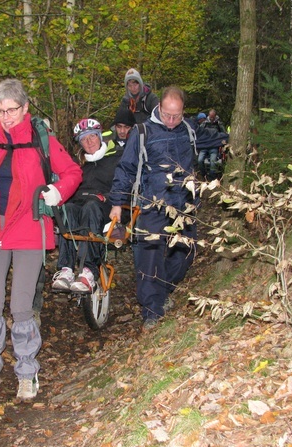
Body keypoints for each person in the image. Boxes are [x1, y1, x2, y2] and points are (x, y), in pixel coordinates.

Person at [0, 79, 82, 401]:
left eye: (11, 110)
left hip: (28, 228)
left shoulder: (41, 137)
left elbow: (72, 172)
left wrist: (57, 191)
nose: (6, 117)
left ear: (25, 108)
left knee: (21, 306)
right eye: (0, 111)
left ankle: (27, 372)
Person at [108, 86, 220, 331]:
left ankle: (163, 289)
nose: (171, 120)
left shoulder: (189, 128)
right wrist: (117, 204)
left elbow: (215, 138)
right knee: (149, 260)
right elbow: (126, 168)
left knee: (185, 254)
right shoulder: (142, 132)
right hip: (152, 205)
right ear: (159, 108)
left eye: (176, 115)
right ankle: (151, 310)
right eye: (167, 115)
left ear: (183, 112)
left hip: (184, 205)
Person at [51, 118, 125, 293]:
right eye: (84, 139)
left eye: (92, 136)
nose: (89, 142)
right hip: (82, 205)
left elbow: (124, 185)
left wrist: (110, 199)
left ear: (100, 137)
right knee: (68, 210)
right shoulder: (81, 166)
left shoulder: (117, 160)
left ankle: (89, 270)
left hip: (106, 207)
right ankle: (66, 269)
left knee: (91, 206)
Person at [196, 109, 229, 180]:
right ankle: (203, 174)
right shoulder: (204, 123)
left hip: (214, 146)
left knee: (213, 162)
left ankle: (211, 177)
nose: (211, 119)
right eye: (210, 117)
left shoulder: (218, 123)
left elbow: (224, 133)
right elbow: (199, 133)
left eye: (212, 117)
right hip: (204, 146)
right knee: (200, 160)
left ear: (215, 116)